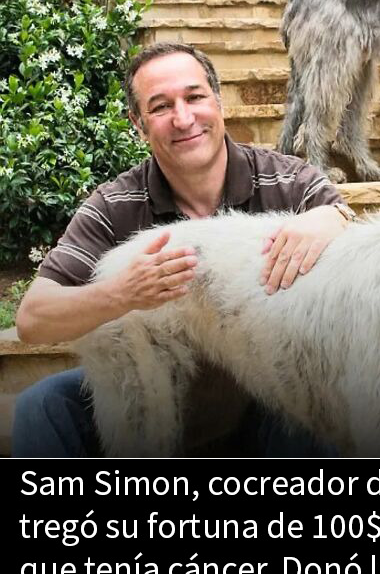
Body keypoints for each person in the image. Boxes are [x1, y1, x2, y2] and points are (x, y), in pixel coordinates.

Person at [12, 41, 355, 457]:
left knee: (322, 413)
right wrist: (122, 294)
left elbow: (362, 262)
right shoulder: (113, 206)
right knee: (42, 407)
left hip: (264, 400)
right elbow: (33, 320)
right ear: (138, 125)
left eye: (195, 97)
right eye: (160, 107)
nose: (184, 118)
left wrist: (335, 219)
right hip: (148, 393)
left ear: (218, 101)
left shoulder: (289, 181)